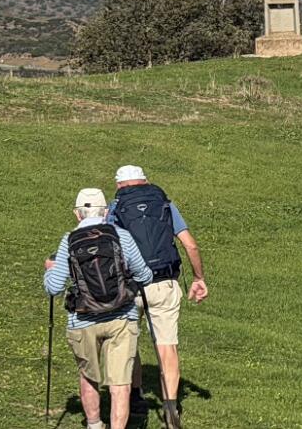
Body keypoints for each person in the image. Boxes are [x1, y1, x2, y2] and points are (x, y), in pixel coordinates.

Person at [45, 188, 154, 429]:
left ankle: (94, 425)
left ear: (78, 214)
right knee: (120, 383)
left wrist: (49, 269)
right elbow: (145, 275)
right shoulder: (121, 236)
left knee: (89, 376)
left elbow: (53, 288)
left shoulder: (69, 240)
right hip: (121, 317)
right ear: (106, 212)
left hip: (83, 320)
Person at [108, 165, 206, 429]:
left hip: (130, 285)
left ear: (119, 185)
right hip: (164, 282)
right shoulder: (163, 202)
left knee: (130, 340)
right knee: (167, 345)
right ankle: (171, 406)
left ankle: (136, 395)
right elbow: (190, 243)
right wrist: (199, 278)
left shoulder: (116, 207)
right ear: (146, 181)